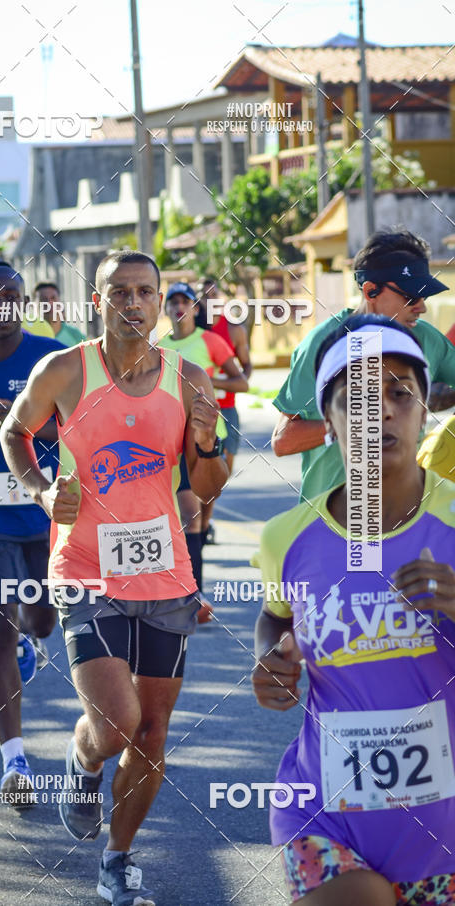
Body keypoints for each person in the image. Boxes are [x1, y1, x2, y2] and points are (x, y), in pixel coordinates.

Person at [0, 250, 228, 905]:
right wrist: (43, 493)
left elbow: (206, 486)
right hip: (86, 569)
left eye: (145, 292)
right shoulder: (66, 369)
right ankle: (85, 756)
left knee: (153, 736)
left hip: (164, 572)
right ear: (96, 301)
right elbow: (18, 432)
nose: (133, 302)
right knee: (118, 725)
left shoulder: (187, 380)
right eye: (119, 291)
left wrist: (208, 445)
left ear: (163, 303)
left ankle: (118, 860)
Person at [252, 313, 455, 905]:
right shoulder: (285, 539)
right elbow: (277, 619)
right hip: (325, 812)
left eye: (399, 393)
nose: (381, 410)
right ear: (332, 425)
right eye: (358, 398)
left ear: (423, 412)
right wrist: (272, 658)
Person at [0, 263, 62, 802]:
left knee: (41, 623)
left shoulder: (51, 358)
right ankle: (14, 763)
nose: (1, 304)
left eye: (11, 296)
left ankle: (30, 638)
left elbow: (83, 424)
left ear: (24, 304)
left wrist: (27, 425)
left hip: (44, 513)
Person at [272, 229, 455, 502]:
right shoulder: (323, 344)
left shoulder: (428, 340)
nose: (421, 307)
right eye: (410, 297)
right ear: (371, 290)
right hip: (332, 523)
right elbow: (283, 440)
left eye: (424, 296)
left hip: (404, 517)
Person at [159, 282, 248, 616]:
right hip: (168, 440)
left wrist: (203, 381)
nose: (179, 307)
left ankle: (193, 595)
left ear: (196, 309)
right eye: (173, 302)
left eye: (185, 301)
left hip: (205, 437)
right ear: (165, 309)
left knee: (195, 514)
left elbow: (241, 382)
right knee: (183, 517)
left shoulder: (210, 341)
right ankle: (181, 593)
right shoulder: (158, 346)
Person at [199, 278, 252, 543]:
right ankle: (199, 526)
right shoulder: (190, 330)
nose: (208, 300)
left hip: (226, 408)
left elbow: (246, 367)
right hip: (195, 412)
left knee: (222, 472)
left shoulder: (233, 329)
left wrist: (221, 380)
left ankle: (204, 520)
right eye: (202, 296)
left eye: (212, 295)